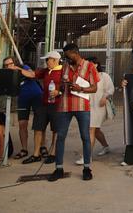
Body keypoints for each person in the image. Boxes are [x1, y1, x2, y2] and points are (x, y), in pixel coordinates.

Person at [48, 43, 99, 182]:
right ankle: (58, 168)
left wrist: (80, 89)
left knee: (85, 137)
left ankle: (87, 168)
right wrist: (58, 90)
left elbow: (94, 88)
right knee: (61, 136)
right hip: (65, 106)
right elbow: (60, 84)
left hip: (82, 106)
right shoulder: (65, 66)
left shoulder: (89, 66)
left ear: (75, 53)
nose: (66, 58)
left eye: (67, 55)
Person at [20, 51, 62, 164]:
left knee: (55, 130)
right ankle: (36, 154)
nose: (46, 62)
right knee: (38, 128)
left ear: (54, 60)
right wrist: (18, 69)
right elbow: (32, 74)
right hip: (44, 104)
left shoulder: (63, 71)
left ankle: (53, 153)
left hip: (57, 105)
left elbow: (68, 86)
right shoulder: (46, 71)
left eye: (48, 60)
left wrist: (59, 92)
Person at [1, 57, 43, 161]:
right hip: (23, 99)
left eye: (10, 64)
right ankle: (24, 149)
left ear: (14, 62)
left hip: (36, 96)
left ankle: (42, 147)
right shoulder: (8, 74)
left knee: (40, 124)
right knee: (22, 124)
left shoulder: (23, 67)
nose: (8, 66)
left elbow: (32, 74)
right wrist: (1, 75)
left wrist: (18, 69)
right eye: (6, 65)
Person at [75, 57, 113, 165]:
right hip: (87, 106)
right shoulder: (83, 76)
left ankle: (87, 156)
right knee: (95, 130)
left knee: (90, 129)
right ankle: (106, 146)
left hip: (99, 106)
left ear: (96, 65)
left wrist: (105, 97)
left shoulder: (103, 76)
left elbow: (111, 89)